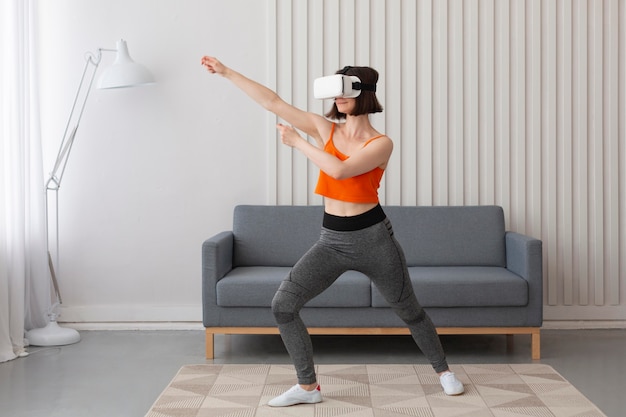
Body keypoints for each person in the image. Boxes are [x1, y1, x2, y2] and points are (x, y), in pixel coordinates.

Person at [200, 56, 465, 406]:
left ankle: (444, 372)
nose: (337, 99)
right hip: (331, 241)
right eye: (335, 91)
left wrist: (298, 144)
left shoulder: (381, 143)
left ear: (364, 93)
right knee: (283, 305)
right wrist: (227, 72)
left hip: (373, 240)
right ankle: (308, 388)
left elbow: (341, 172)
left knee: (410, 312)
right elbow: (273, 102)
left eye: (345, 91)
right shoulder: (326, 129)